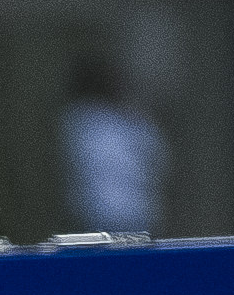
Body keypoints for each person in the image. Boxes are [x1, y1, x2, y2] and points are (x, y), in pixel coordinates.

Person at [62, 61, 164, 237]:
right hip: (99, 215)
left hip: (134, 213)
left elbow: (157, 158)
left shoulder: (128, 120)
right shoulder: (81, 121)